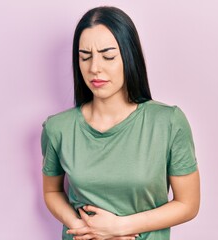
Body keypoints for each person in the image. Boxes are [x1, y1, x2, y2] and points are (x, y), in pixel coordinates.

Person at [41, 6, 200, 240]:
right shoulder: (58, 128)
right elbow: (52, 191)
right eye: (85, 57)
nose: (94, 68)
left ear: (129, 55)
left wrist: (119, 227)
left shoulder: (168, 122)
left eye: (108, 56)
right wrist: (83, 226)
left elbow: (188, 204)